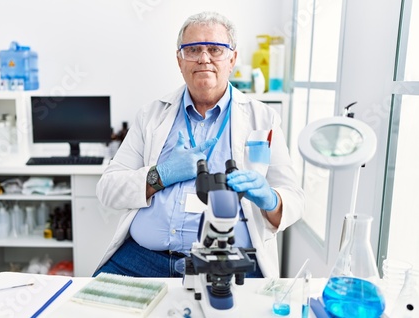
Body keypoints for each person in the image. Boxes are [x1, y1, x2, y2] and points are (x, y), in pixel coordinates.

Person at [94, 11, 304, 278]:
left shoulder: (263, 118)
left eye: (215, 49)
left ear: (232, 59)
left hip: (228, 263)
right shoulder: (151, 115)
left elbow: (294, 200)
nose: (204, 58)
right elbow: (108, 189)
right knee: (90, 314)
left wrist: (272, 199)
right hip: (143, 260)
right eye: (193, 50)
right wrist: (161, 175)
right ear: (180, 60)